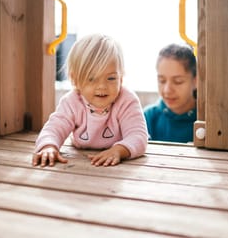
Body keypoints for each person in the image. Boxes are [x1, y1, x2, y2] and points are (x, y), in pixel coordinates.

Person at [32, 33, 148, 167]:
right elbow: (53, 128)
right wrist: (48, 146)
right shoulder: (71, 102)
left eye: (111, 78)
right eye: (91, 78)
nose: (102, 86)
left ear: (121, 78)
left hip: (116, 166)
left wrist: (119, 151)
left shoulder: (127, 100)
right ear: (75, 80)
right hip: (79, 162)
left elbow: (138, 136)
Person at [144, 43, 197, 143]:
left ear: (196, 81)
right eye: (162, 80)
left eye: (178, 81)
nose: (167, 90)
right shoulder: (147, 118)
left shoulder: (207, 121)